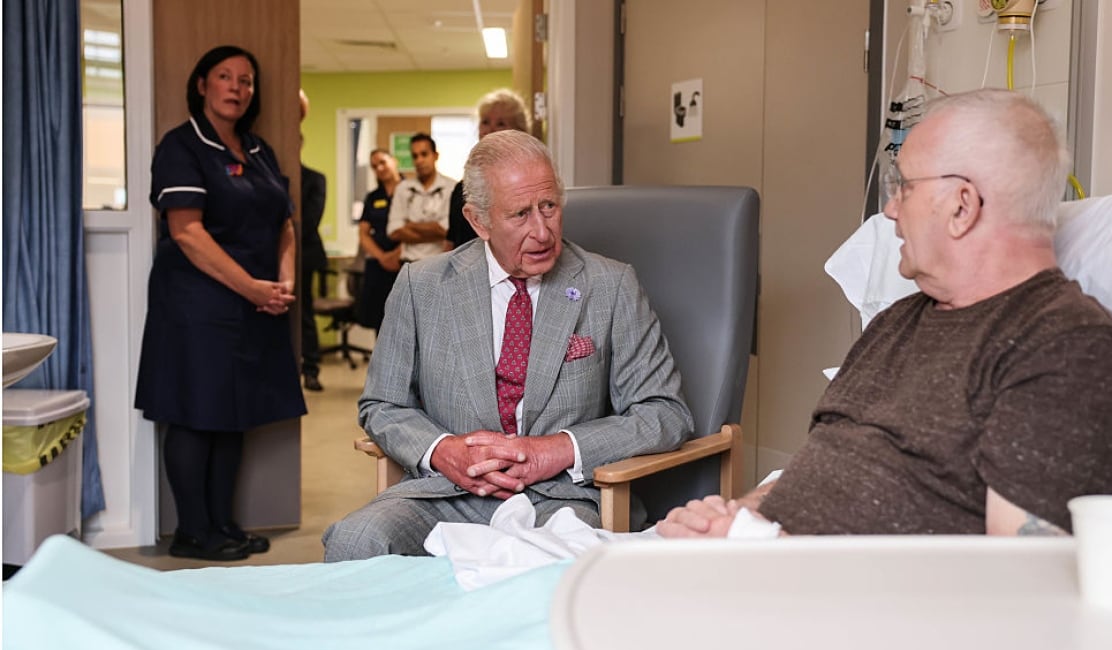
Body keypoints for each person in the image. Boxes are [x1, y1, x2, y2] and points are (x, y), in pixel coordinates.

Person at [658, 89, 1112, 540]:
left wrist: (761, 548)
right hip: (765, 573)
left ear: (962, 205)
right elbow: (825, 467)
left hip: (866, 619)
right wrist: (734, 517)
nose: (892, 210)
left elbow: (1021, 580)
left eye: (906, 187)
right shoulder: (899, 321)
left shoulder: (1065, 345)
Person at [322, 130, 694, 560]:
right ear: (479, 221)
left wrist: (557, 450)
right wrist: (443, 451)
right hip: (446, 493)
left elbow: (665, 411)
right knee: (355, 541)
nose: (542, 231)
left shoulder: (610, 285)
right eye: (520, 214)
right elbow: (382, 405)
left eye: (549, 207)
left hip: (561, 500)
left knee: (541, 570)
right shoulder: (419, 286)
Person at [136, 45, 306, 561]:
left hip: (254, 305)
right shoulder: (182, 146)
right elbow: (186, 233)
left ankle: (224, 525)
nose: (237, 87)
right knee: (195, 413)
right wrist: (252, 287)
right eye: (225, 77)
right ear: (202, 85)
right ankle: (194, 531)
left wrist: (282, 281)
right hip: (197, 306)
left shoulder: (258, 150)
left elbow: (284, 224)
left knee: (235, 414)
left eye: (246, 80)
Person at [447, 89, 532, 249]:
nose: (490, 130)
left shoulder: (528, 183)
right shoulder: (462, 188)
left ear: (519, 131)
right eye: (485, 122)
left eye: (500, 123)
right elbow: (450, 241)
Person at [386, 133, 456, 266]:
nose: (419, 160)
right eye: (415, 156)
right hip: (408, 264)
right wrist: (434, 231)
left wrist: (410, 225)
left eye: (424, 154)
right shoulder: (403, 188)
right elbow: (393, 231)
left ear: (435, 156)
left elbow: (447, 231)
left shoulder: (451, 188)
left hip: (440, 264)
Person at [298, 92, 328, 391]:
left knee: (304, 312)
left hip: (304, 254)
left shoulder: (314, 179)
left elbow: (309, 220)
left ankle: (311, 368)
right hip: (268, 259)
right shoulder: (274, 179)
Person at [355, 148, 402, 330]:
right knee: (380, 321)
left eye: (383, 162)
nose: (380, 168)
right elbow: (364, 234)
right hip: (378, 264)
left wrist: (397, 254)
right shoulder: (373, 197)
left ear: (394, 161)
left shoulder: (410, 190)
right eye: (375, 166)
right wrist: (383, 257)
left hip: (404, 261)